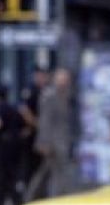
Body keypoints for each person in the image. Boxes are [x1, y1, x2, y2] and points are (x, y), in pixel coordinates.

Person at [34, 68, 79, 197]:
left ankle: (41, 195)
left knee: (53, 172)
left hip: (65, 140)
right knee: (57, 172)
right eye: (62, 80)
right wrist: (44, 142)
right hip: (53, 141)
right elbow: (45, 120)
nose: (65, 82)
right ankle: (54, 196)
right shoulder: (49, 96)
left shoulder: (69, 96)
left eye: (66, 80)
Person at [0, 85, 25, 205]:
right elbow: (24, 128)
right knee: (10, 182)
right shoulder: (13, 108)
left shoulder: (0, 108)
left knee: (1, 183)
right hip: (13, 150)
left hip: (2, 151)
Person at [18, 66, 50, 198]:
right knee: (31, 168)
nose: (42, 78)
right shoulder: (31, 90)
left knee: (41, 168)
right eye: (40, 75)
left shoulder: (47, 91)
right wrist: (38, 125)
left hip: (43, 136)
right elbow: (24, 110)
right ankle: (28, 195)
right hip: (32, 136)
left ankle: (39, 194)